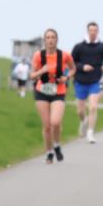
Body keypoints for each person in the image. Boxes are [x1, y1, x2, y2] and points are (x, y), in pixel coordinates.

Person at [30, 29, 76, 164]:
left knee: (55, 122)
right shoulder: (38, 55)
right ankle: (49, 153)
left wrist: (66, 77)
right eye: (48, 37)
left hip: (58, 91)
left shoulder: (65, 55)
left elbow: (73, 69)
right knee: (47, 126)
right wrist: (42, 70)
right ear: (44, 40)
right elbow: (32, 75)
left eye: (53, 37)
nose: (50, 40)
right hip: (41, 91)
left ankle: (56, 145)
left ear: (57, 40)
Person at [71, 21, 103, 144]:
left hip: (95, 81)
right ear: (87, 31)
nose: (93, 33)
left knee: (93, 107)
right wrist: (82, 67)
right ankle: (83, 121)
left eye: (95, 30)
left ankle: (90, 133)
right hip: (80, 81)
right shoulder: (79, 47)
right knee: (80, 110)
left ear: (98, 32)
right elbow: (71, 63)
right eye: (91, 30)